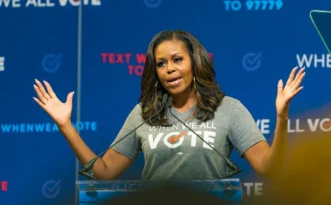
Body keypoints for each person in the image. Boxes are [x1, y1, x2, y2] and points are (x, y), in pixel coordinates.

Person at [33, 30, 305, 181]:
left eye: (177, 60)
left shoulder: (229, 109)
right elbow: (104, 172)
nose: (169, 70)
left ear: (195, 62)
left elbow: (269, 168)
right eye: (161, 64)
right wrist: (65, 125)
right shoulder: (144, 113)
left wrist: (282, 117)